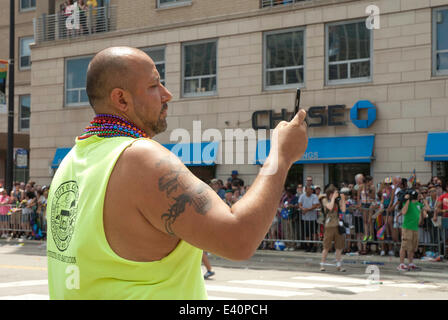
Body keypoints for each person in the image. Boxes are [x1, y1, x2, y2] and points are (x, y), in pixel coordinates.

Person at [46, 46, 308, 300]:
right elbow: (238, 239)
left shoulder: (72, 159)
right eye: (154, 85)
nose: (167, 94)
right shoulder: (140, 157)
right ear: (121, 99)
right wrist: (281, 155)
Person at [320, 185, 346, 272]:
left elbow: (343, 210)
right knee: (326, 247)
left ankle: (339, 265)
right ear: (330, 194)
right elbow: (330, 207)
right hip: (329, 226)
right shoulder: (325, 200)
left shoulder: (336, 201)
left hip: (337, 225)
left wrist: (343, 199)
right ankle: (322, 265)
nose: (336, 194)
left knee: (339, 247)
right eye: (334, 193)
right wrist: (333, 198)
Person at [397, 190, 424, 271]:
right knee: (404, 245)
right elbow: (404, 212)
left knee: (412, 247)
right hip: (407, 227)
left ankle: (410, 263)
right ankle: (401, 264)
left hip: (415, 228)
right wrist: (407, 200)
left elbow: (420, 214)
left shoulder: (419, 204)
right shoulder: (407, 203)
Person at [298, 185, 320, 252]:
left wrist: (306, 210)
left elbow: (315, 205)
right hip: (305, 218)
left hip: (312, 218)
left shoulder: (314, 196)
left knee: (313, 232)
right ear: (306, 190)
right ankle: (308, 246)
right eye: (309, 189)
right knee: (306, 233)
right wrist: (302, 209)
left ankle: (314, 246)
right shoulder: (302, 196)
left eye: (311, 189)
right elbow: (300, 204)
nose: (310, 190)